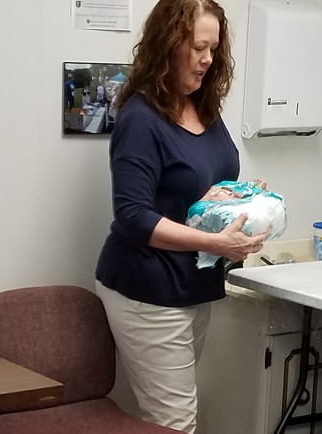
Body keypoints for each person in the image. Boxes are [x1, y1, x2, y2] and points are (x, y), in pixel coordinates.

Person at [93, 0, 265, 432]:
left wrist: (241, 198)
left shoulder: (204, 108)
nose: (208, 59)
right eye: (198, 47)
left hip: (193, 284)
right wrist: (216, 242)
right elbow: (132, 216)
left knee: (168, 419)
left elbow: (199, 190)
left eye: (214, 48)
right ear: (168, 46)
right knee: (174, 423)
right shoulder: (140, 118)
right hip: (148, 290)